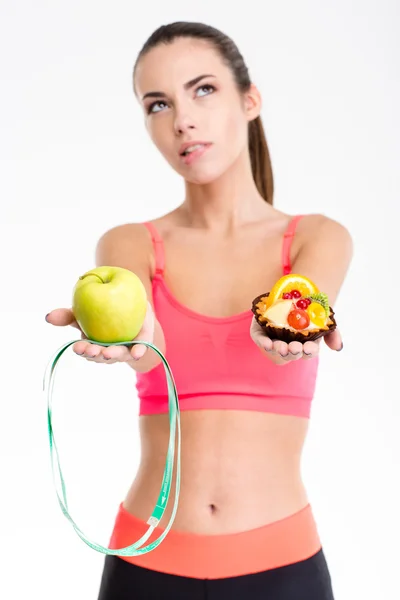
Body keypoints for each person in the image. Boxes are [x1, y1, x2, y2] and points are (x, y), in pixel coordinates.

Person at [46, 21, 352, 600]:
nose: (182, 118)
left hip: (281, 568)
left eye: (202, 89)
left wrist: (290, 326)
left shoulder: (318, 237)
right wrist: (134, 341)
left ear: (250, 99)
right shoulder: (129, 244)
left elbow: (303, 299)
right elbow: (144, 339)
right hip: (146, 566)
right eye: (157, 104)